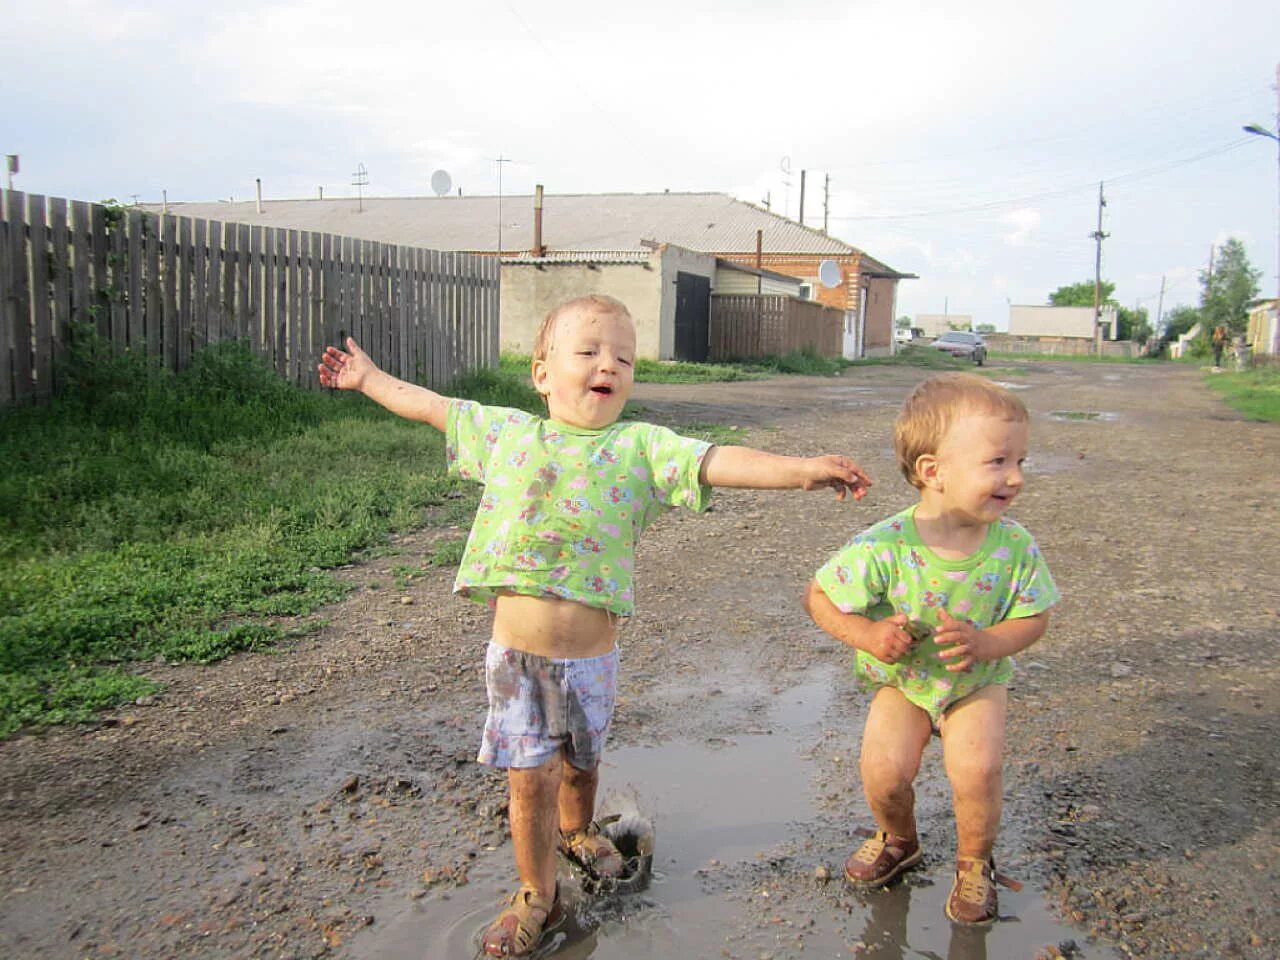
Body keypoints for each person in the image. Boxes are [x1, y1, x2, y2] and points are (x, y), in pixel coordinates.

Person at [318, 294, 871, 957]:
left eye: (624, 358)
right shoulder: (508, 435)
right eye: (587, 352)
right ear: (542, 372)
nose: (607, 364)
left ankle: (578, 832)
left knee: (580, 766)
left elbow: (716, 461)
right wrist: (369, 379)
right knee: (532, 780)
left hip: (593, 661)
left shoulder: (640, 447)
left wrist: (802, 471)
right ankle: (536, 894)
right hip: (519, 660)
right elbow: (434, 406)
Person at [802, 372, 1059, 926]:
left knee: (977, 769)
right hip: (905, 683)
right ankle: (900, 839)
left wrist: (988, 642)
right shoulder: (884, 544)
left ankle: (974, 863)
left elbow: (1035, 616)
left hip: (976, 680)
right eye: (997, 462)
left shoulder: (1014, 546)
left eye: (1021, 462)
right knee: (884, 769)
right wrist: (868, 636)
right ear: (932, 471)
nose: (1015, 477)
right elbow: (820, 597)